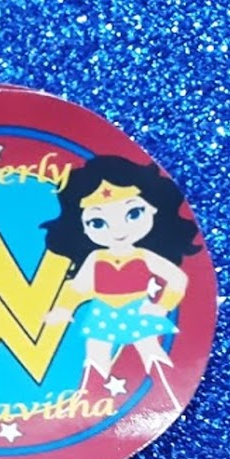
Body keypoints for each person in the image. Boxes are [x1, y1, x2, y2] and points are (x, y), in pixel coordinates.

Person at [41, 155, 202, 393]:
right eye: (97, 222)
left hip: (137, 310)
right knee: (96, 354)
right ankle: (90, 397)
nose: (117, 230)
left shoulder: (144, 256)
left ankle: (168, 392)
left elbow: (178, 278)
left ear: (153, 209)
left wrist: (162, 305)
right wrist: (64, 309)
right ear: (81, 226)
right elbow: (78, 288)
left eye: (134, 213)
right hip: (103, 313)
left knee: (150, 350)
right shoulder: (96, 258)